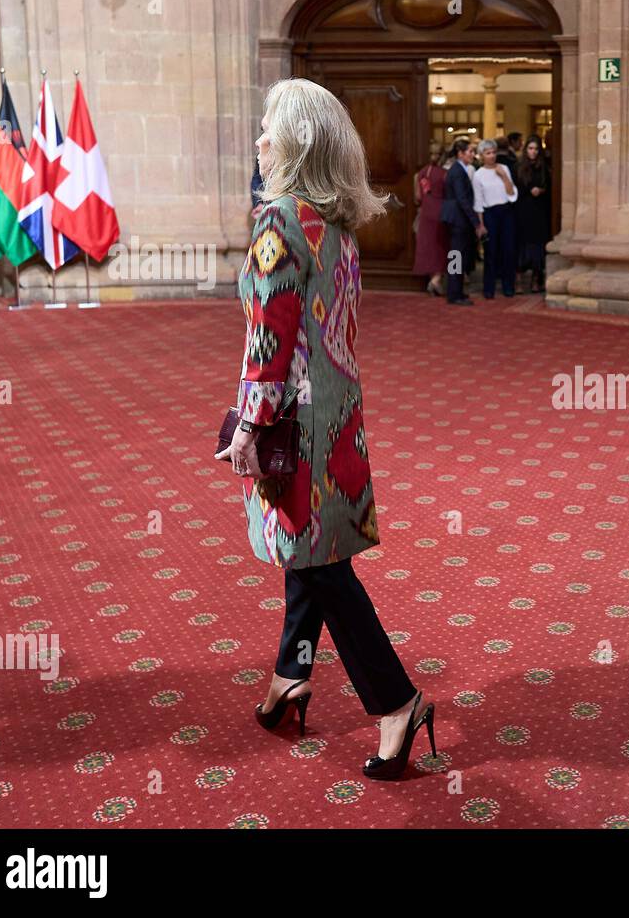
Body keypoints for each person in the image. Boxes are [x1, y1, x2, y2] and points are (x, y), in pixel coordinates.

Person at [216, 77, 435, 780]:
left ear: (299, 140)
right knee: (309, 556)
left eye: (268, 128)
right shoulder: (333, 229)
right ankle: (292, 677)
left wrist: (250, 424)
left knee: (324, 567)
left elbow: (269, 337)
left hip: (297, 426)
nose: (258, 140)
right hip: (340, 421)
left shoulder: (279, 219)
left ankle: (396, 701)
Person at [472, 138, 519, 298]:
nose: (492, 156)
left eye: (493, 152)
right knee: (491, 252)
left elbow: (512, 194)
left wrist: (504, 176)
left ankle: (508, 287)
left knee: (509, 250)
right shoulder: (478, 175)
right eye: (488, 153)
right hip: (489, 214)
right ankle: (488, 289)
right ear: (481, 156)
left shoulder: (504, 168)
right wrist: (481, 225)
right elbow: (478, 202)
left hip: (506, 212)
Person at [439, 137, 480, 305]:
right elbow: (462, 199)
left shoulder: (459, 169)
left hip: (458, 218)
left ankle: (457, 292)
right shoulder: (457, 171)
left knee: (458, 256)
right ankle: (454, 294)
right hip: (458, 219)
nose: (472, 154)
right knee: (455, 256)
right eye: (470, 151)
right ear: (460, 153)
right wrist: (476, 222)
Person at [514, 134, 552, 293]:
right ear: (526, 150)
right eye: (530, 148)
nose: (533, 152)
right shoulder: (518, 167)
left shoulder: (544, 167)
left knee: (538, 245)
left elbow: (550, 187)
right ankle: (518, 279)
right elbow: (515, 187)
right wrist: (529, 190)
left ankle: (537, 279)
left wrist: (542, 190)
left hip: (539, 210)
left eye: (536, 149)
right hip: (523, 209)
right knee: (522, 244)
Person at [412, 141, 449, 296]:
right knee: (443, 247)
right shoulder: (445, 174)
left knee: (428, 247)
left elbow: (417, 198)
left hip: (426, 214)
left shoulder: (419, 174)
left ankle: (434, 281)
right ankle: (436, 281)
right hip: (441, 213)